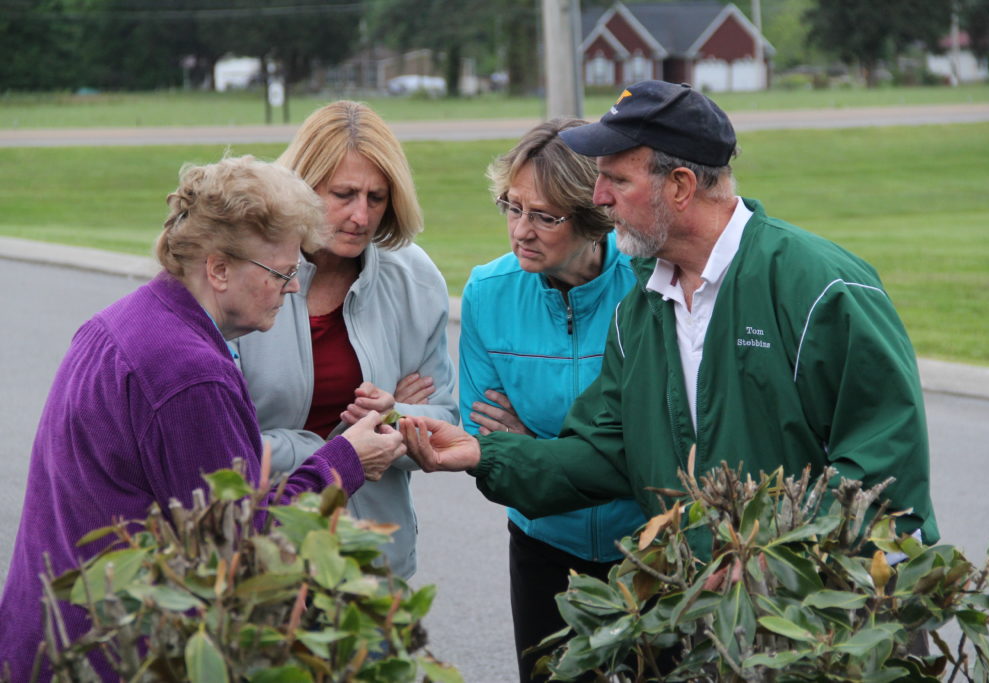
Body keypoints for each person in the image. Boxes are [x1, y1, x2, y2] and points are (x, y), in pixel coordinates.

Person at [401, 80, 939, 563]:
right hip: (704, 609)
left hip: (817, 622)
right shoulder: (641, 307)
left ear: (680, 186)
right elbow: (606, 453)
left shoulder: (820, 288)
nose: (598, 199)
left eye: (616, 180)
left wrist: (768, 563)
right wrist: (484, 454)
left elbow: (882, 471)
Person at [0, 155, 407, 680]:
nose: (291, 288)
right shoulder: (189, 374)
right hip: (114, 654)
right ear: (217, 268)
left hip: (50, 635)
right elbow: (239, 548)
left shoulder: (124, 322)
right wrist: (345, 460)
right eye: (281, 271)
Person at [233, 101, 458, 580]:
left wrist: (397, 419)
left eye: (376, 198)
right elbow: (217, 446)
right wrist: (327, 448)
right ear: (301, 187)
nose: (361, 216)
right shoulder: (245, 275)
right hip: (260, 556)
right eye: (343, 194)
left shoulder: (414, 279)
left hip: (372, 559)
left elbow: (443, 416)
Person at [460, 118, 646, 682]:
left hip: (647, 547)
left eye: (544, 216)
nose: (521, 230)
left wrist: (534, 447)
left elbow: (659, 433)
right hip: (543, 545)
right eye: (512, 207)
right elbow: (488, 439)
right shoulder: (487, 293)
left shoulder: (649, 284)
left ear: (593, 219)